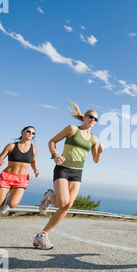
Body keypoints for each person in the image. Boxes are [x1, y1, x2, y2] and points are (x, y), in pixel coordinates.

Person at [33, 100, 104, 250]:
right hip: (63, 168)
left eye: (96, 119)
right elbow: (52, 141)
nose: (93, 120)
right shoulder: (72, 129)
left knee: (67, 206)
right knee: (63, 203)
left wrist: (99, 153)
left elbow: (96, 160)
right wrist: (55, 156)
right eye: (90, 117)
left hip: (77, 172)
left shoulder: (94, 139)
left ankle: (42, 234)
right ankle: (50, 198)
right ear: (84, 118)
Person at [0, 126, 39, 240]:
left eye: (33, 133)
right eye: (29, 131)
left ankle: (6, 205)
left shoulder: (35, 148)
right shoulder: (11, 146)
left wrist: (36, 170)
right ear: (22, 132)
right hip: (7, 176)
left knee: (12, 204)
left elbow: (33, 161)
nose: (31, 134)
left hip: (22, 179)